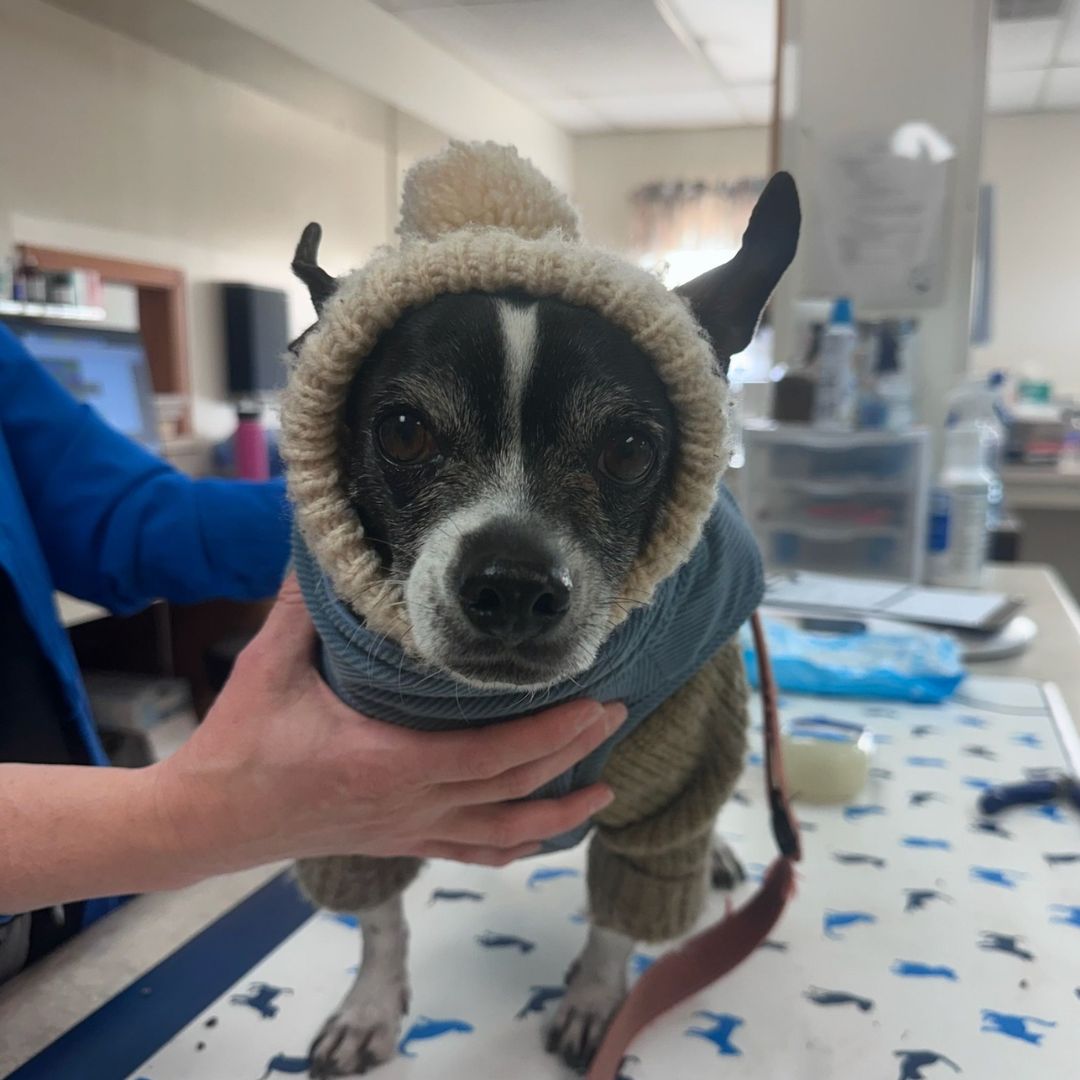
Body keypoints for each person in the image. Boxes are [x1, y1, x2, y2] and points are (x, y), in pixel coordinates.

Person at [0, 322, 621, 982]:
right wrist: (184, 820)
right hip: (104, 849)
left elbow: (124, 519)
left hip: (74, 913)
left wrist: (338, 524)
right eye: (408, 433)